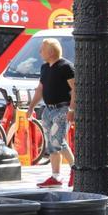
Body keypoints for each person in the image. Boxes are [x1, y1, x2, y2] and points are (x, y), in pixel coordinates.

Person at [30, 38, 76, 189]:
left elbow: (75, 89)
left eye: (42, 49)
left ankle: (75, 169)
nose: (39, 52)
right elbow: (40, 89)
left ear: (50, 51)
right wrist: (30, 108)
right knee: (52, 144)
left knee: (56, 141)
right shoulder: (45, 68)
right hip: (47, 110)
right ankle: (56, 176)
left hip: (62, 109)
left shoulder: (66, 66)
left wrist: (72, 109)